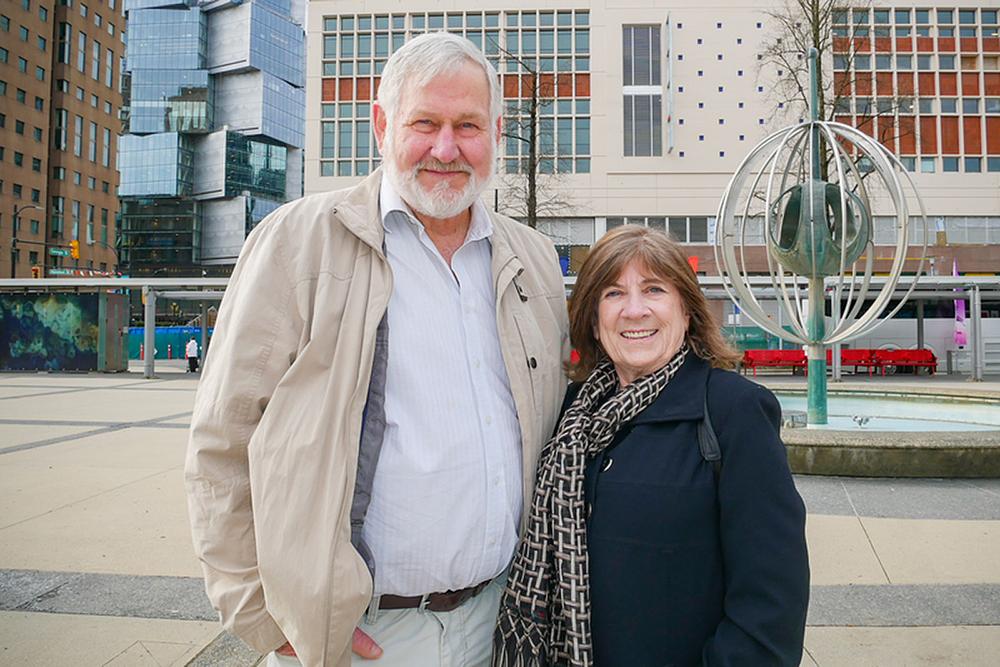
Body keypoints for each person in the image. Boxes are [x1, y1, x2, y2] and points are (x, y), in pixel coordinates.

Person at [185, 33, 569, 667]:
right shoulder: (298, 243)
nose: (446, 149)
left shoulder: (530, 258)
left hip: (502, 623)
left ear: (497, 132)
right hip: (363, 640)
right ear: (382, 125)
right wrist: (261, 612)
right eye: (425, 123)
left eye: (468, 125)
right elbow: (221, 442)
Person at [495, 226, 809, 666]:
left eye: (654, 290)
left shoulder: (732, 411)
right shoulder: (567, 415)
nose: (634, 310)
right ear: (591, 317)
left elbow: (771, 602)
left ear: (686, 311)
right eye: (613, 293)